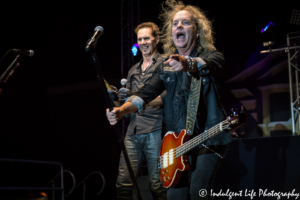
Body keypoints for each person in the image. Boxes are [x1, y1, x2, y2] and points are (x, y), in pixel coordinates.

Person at [107, 1, 232, 199]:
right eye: (175, 24)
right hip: (178, 143)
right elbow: (144, 94)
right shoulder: (165, 67)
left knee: (198, 190)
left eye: (185, 23)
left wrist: (187, 62)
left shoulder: (211, 55)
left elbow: (211, 64)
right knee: (175, 195)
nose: (179, 27)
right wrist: (122, 111)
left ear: (197, 32)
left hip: (208, 137)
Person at [111, 22, 167, 200]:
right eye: (139, 39)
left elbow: (163, 99)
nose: (143, 42)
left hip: (156, 131)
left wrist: (134, 102)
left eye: (146, 38)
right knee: (123, 184)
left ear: (156, 39)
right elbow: (125, 101)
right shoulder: (133, 71)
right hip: (133, 133)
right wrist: (117, 103)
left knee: (157, 184)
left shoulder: (165, 63)